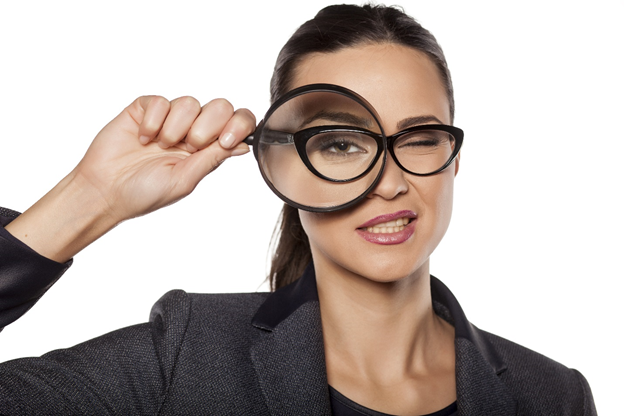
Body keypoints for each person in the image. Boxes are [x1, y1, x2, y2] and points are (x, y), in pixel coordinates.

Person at [0, 4, 597, 415]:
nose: (389, 183)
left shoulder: (552, 396)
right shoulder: (186, 356)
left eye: (418, 138)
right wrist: (88, 199)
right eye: (342, 144)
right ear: (282, 169)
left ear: (453, 159)